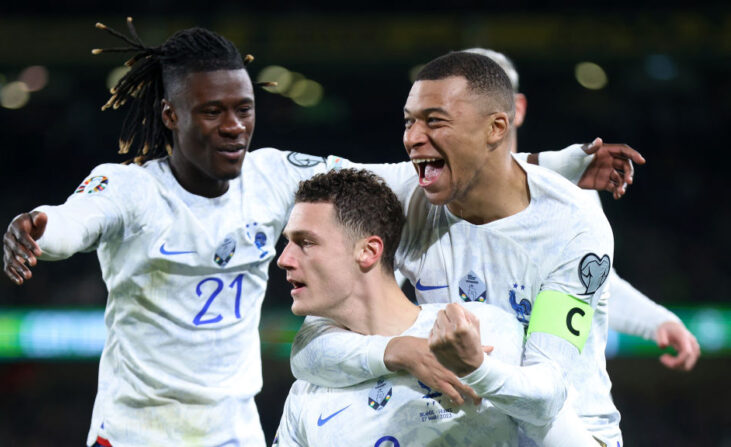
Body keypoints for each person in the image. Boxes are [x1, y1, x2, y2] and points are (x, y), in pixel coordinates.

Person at [1, 20, 637, 446]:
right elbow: (74, 220)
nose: (232, 126)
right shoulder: (132, 187)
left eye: (243, 109)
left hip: (238, 430)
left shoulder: (272, 176)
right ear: (170, 115)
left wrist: (564, 163)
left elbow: (547, 394)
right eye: (212, 111)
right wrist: (38, 230)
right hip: (138, 429)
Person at [290, 51, 626, 445]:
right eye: (409, 121)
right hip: (473, 427)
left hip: (566, 432)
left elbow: (547, 396)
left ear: (497, 127)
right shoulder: (409, 196)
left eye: (434, 121)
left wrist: (476, 366)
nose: (413, 138)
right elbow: (307, 354)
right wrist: (399, 350)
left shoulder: (571, 228)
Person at [274, 168, 597, 446]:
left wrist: (478, 368)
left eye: (306, 242)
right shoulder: (310, 385)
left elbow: (554, 418)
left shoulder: (478, 330)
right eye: (288, 242)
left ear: (368, 251)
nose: (284, 259)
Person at [462, 47, 700, 371]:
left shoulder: (569, 187)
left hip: (560, 401)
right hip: (469, 402)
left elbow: (593, 283)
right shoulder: (429, 197)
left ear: (517, 108)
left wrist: (656, 321)